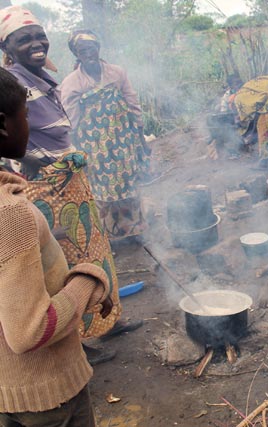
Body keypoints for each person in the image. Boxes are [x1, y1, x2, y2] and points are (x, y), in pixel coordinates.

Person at [0, 6, 140, 365]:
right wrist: (40, 164)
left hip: (70, 180)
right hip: (46, 186)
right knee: (65, 263)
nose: (36, 43)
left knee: (95, 250)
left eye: (39, 36)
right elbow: (15, 142)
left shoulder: (43, 79)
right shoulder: (10, 82)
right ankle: (79, 337)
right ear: (7, 46)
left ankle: (107, 320)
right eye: (23, 38)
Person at [0, 66, 113, 427]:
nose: (29, 125)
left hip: (10, 390)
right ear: (3, 125)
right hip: (45, 397)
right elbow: (30, 330)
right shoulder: (10, 214)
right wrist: (89, 281)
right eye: (27, 115)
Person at [60, 29, 148, 241]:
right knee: (102, 190)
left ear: (98, 49)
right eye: (83, 51)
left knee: (130, 184)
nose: (89, 54)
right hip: (95, 145)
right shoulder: (72, 82)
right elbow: (71, 119)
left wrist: (141, 137)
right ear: (77, 54)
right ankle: (108, 237)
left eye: (92, 49)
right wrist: (75, 149)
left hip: (124, 140)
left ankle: (135, 231)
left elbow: (132, 103)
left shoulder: (116, 73)